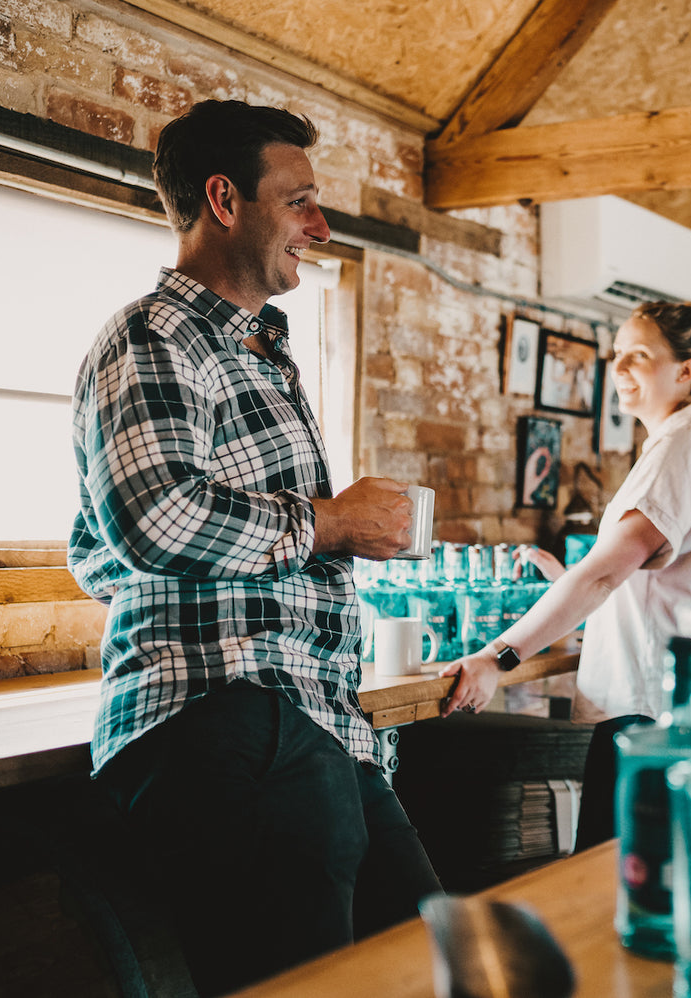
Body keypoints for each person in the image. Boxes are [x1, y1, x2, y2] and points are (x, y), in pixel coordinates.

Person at [68, 100, 441, 996]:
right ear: (225, 199)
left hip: (313, 723)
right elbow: (153, 517)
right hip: (221, 714)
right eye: (301, 201)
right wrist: (332, 522)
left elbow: (100, 548)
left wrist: (315, 529)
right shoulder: (155, 335)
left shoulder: (262, 354)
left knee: (436, 962)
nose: (319, 227)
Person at [440, 301, 691, 849]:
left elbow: (602, 577)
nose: (618, 369)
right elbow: (664, 580)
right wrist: (572, 580)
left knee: (617, 888)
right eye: (617, 355)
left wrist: (495, 658)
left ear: (685, 371)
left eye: (638, 356)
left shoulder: (678, 451)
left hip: (653, 720)